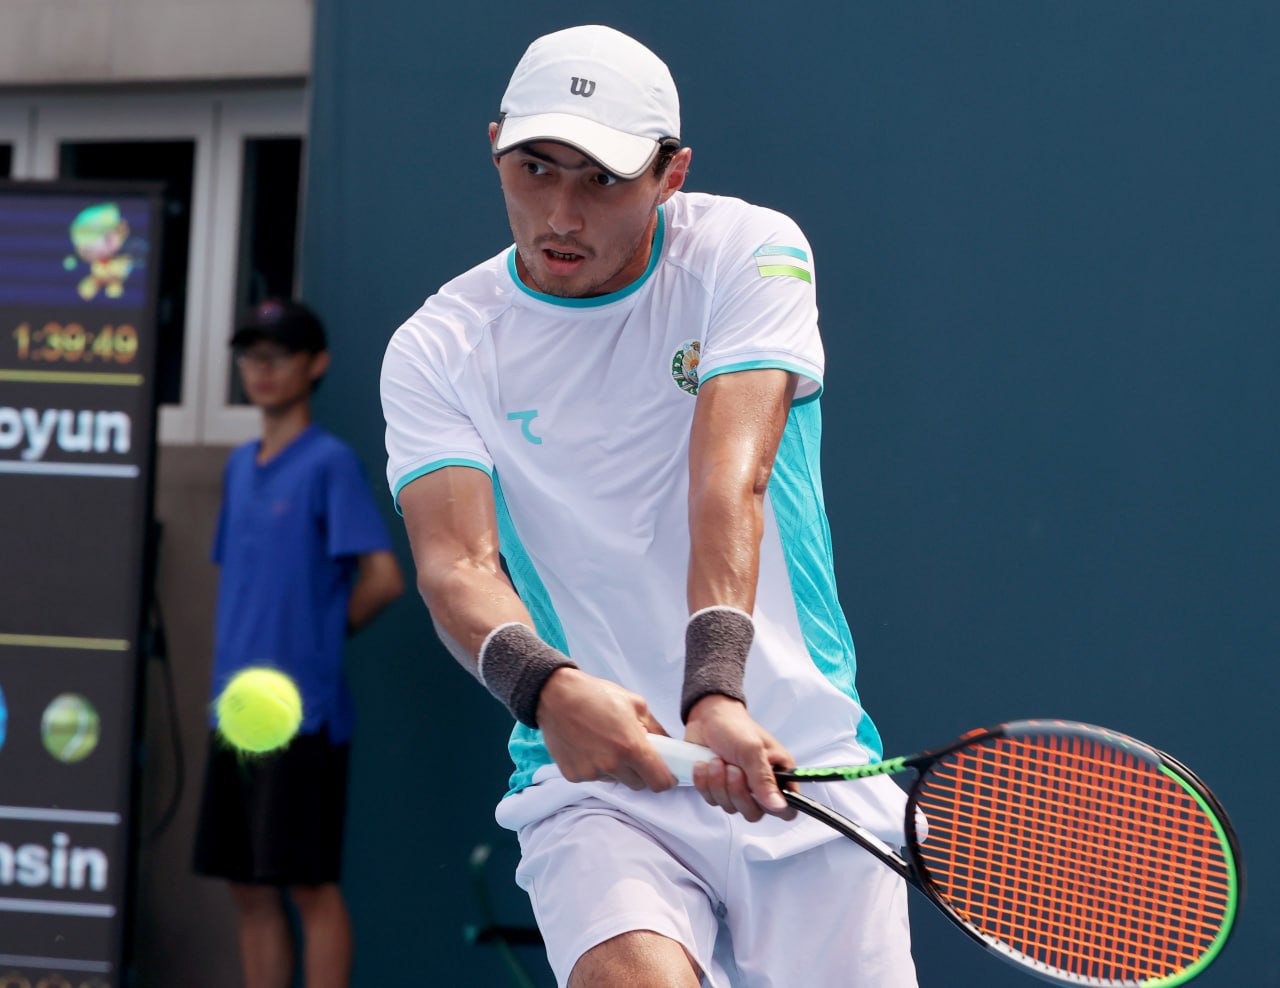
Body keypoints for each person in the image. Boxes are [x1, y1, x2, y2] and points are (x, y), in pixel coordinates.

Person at [381, 24, 917, 987]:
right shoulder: (438, 347)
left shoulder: (748, 251)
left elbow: (728, 477)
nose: (561, 213)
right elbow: (456, 565)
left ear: (671, 174)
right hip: (599, 784)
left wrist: (715, 690)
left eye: (601, 179)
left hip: (800, 764)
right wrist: (547, 690)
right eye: (535, 168)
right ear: (494, 146)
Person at [194, 298, 404, 988]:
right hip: (234, 714)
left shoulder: (328, 464)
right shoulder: (239, 467)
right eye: (251, 356)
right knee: (247, 888)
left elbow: (383, 578)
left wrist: (315, 637)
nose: (261, 369)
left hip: (302, 714)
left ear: (315, 365)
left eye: (278, 355)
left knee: (309, 885)